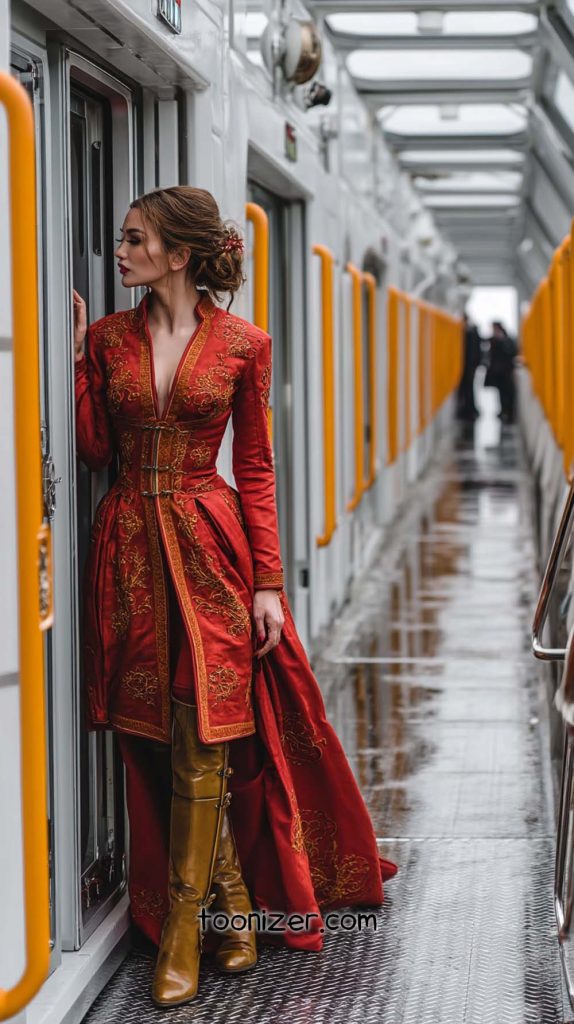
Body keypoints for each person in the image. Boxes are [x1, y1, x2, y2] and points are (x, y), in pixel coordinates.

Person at [73, 185, 396, 1008]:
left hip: (211, 548)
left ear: (178, 256)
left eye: (135, 238)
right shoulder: (109, 339)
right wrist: (77, 362)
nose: (121, 251)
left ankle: (186, 932)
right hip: (128, 550)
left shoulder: (246, 344)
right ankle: (235, 909)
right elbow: (95, 447)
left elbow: (255, 468)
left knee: (204, 727)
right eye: (123, 238)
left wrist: (268, 585)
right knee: (147, 731)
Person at [484, 321, 517, 424]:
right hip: (498, 372)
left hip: (506, 371)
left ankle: (509, 413)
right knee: (500, 393)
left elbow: (512, 352)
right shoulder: (493, 340)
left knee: (507, 393)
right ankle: (503, 410)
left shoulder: (506, 340)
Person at [456, 312, 482, 421]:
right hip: (469, 366)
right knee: (469, 389)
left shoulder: (469, 333)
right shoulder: (473, 332)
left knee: (468, 389)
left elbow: (472, 353)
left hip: (468, 367)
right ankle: (470, 410)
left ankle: (469, 410)